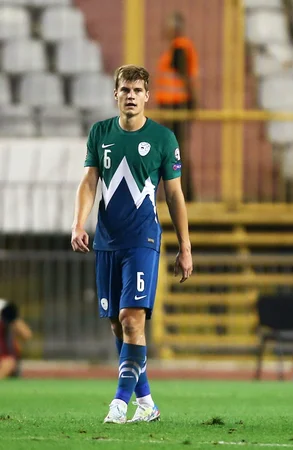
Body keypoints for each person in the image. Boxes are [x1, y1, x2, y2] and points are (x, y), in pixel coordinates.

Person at [70, 64, 194, 424]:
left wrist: (185, 246)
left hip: (143, 239)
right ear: (115, 94)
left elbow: (174, 195)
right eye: (125, 90)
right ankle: (146, 403)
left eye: (137, 90)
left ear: (147, 96)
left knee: (131, 318)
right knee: (117, 324)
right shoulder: (100, 133)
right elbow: (90, 181)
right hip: (107, 242)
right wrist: (79, 222)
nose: (131, 96)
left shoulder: (163, 139)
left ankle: (119, 403)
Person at [154, 11, 198, 201]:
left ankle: (182, 193)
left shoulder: (179, 48)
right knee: (173, 152)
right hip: (171, 106)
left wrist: (191, 102)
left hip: (175, 106)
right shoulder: (177, 48)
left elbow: (184, 77)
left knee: (174, 152)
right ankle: (180, 193)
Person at [0, 299, 32, 380]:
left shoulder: (3, 307)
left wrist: (12, 318)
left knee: (8, 363)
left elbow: (26, 334)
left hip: (4, 359)